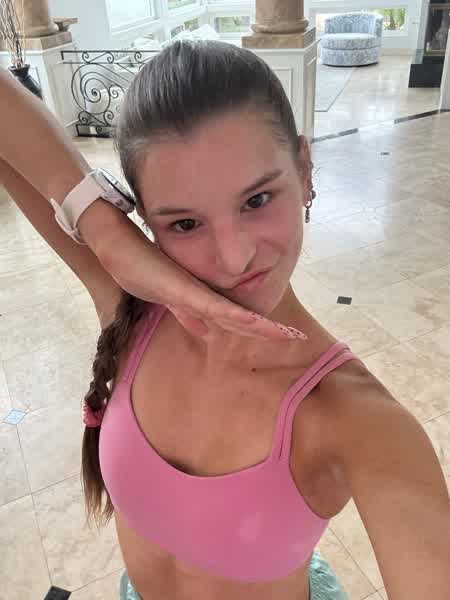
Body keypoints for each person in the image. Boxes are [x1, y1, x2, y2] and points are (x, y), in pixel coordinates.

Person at [1, 40, 449, 600]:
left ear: (305, 169)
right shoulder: (132, 309)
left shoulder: (357, 419)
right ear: (147, 223)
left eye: (257, 200)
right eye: (185, 224)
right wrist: (100, 227)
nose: (234, 259)